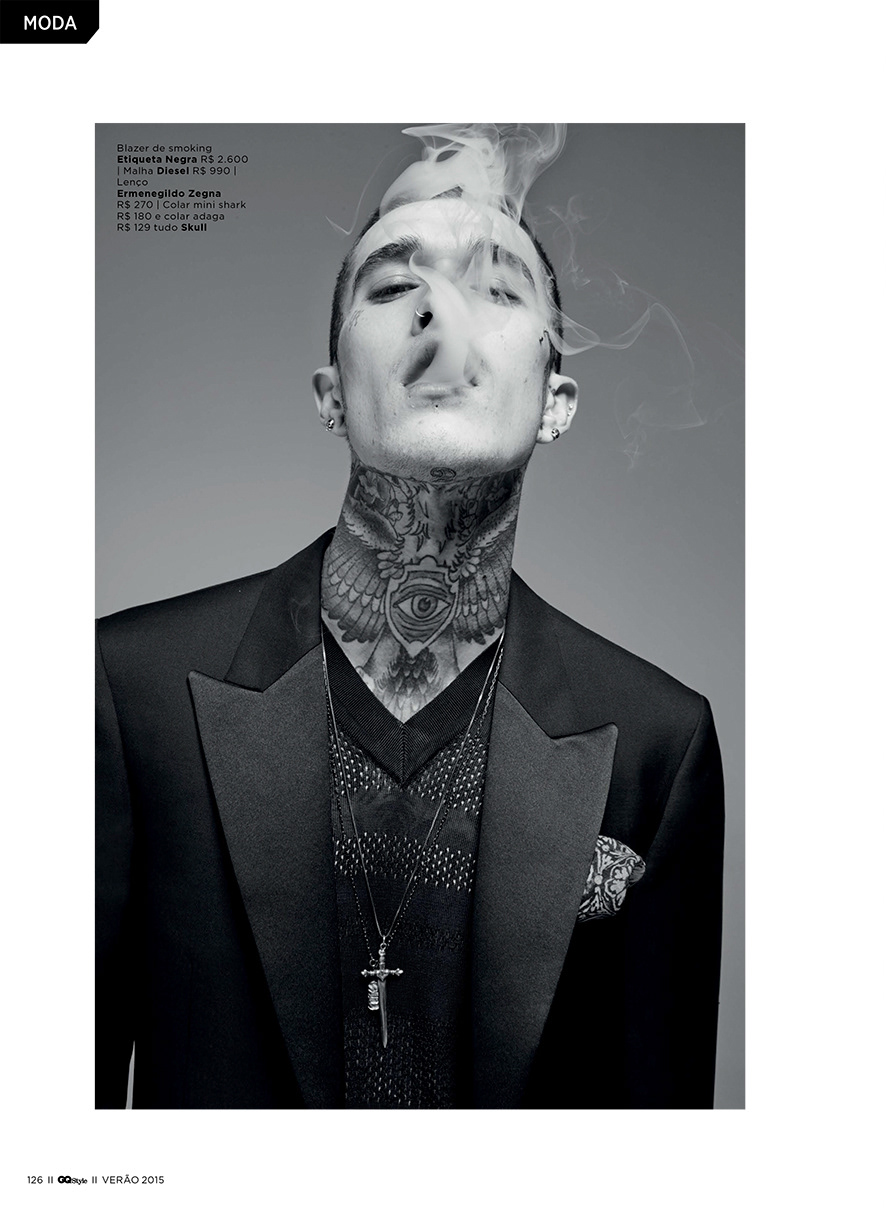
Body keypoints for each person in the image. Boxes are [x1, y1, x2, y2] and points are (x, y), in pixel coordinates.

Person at [96, 184, 724, 1110]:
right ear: (331, 395)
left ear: (556, 401)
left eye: (497, 289)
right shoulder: (125, 688)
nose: (443, 309)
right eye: (394, 287)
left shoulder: (656, 743)